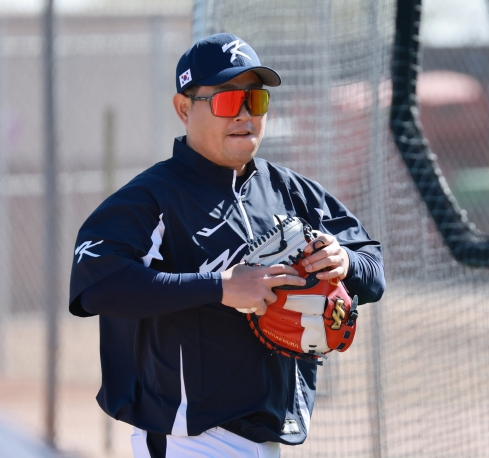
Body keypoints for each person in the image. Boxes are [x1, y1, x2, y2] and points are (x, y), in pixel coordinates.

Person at [69, 33, 385, 458]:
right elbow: (96, 285)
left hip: (270, 436)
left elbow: (373, 267)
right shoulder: (153, 198)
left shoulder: (290, 193)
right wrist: (219, 286)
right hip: (189, 439)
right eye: (225, 100)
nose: (243, 114)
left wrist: (344, 261)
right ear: (184, 108)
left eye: (254, 101)